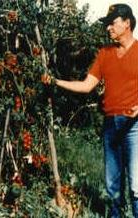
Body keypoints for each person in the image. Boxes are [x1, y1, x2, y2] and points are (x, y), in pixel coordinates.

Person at [43, 3, 138, 218]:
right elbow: (86, 86)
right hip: (111, 125)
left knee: (136, 185)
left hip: (135, 126)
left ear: (127, 23)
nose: (108, 28)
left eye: (112, 23)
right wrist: (55, 81)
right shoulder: (104, 54)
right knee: (113, 186)